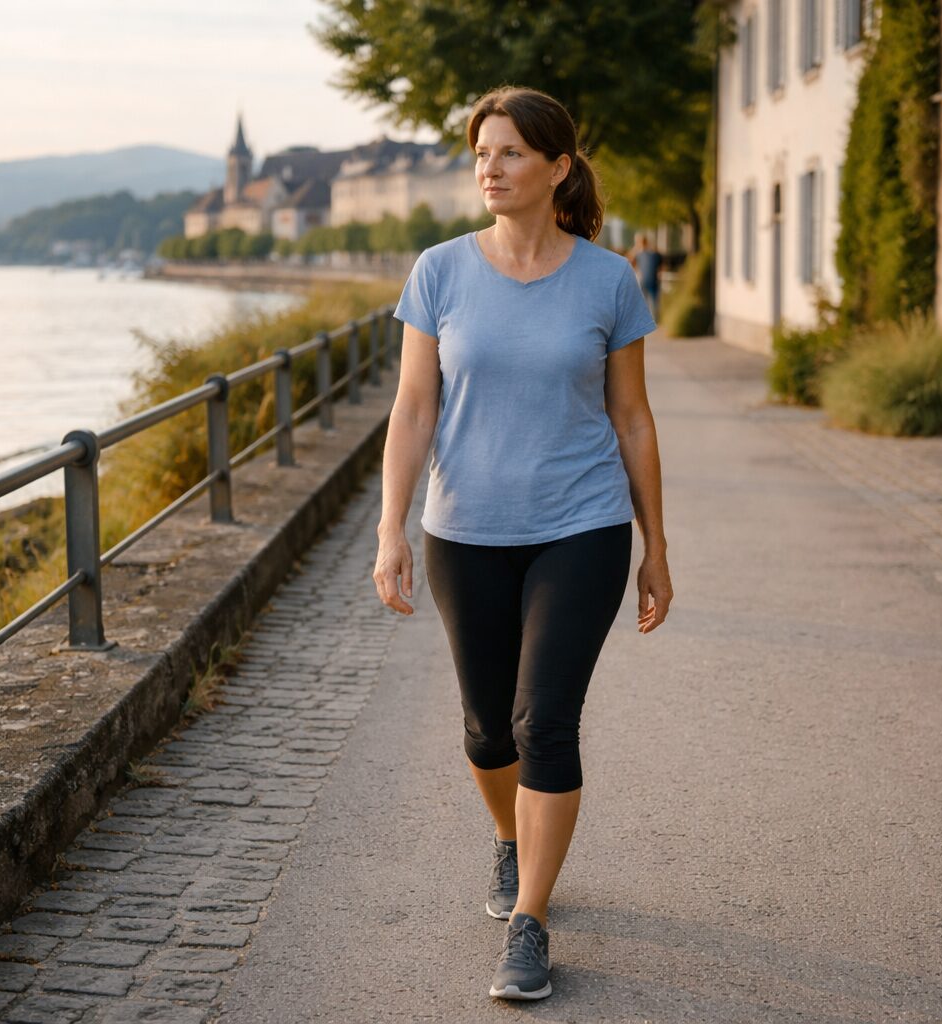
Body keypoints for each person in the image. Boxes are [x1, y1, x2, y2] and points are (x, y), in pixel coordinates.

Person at [372, 85, 673, 1003]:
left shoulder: (608, 279)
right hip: (463, 528)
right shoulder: (439, 271)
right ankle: (509, 840)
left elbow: (632, 418)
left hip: (580, 527)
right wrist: (390, 530)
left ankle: (531, 923)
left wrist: (655, 544)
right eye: (481, 154)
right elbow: (413, 407)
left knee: (545, 721)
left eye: (508, 153)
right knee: (487, 729)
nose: (489, 170)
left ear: (557, 168)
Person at [629, 232, 664, 318]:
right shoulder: (653, 252)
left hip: (645, 280)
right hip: (652, 280)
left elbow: (629, 263)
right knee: (653, 302)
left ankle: (649, 320)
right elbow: (661, 266)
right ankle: (654, 320)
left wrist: (635, 249)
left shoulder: (638, 254)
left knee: (645, 302)